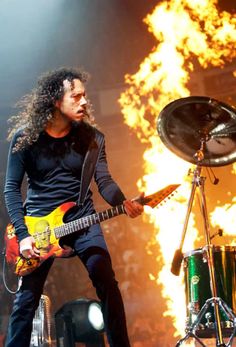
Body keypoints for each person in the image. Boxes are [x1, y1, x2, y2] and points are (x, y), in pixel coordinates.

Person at [4, 67, 144, 347]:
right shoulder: (25, 138)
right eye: (76, 96)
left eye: (84, 96)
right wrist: (23, 235)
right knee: (27, 299)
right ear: (56, 100)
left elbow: (103, 180)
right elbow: (11, 189)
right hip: (39, 227)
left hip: (82, 219)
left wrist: (123, 201)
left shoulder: (93, 138)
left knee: (106, 281)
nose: (83, 102)